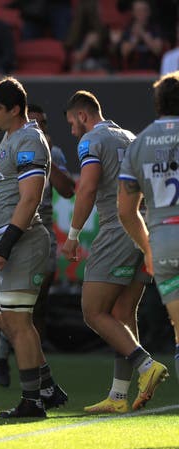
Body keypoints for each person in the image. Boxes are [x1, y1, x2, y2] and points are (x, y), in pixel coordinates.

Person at [62, 90, 168, 413]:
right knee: (123, 313)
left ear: (82, 115)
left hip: (118, 226)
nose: (71, 131)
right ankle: (119, 397)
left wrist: (73, 235)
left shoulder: (92, 140)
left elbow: (88, 187)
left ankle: (146, 365)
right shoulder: (131, 137)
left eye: (71, 123)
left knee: (92, 310)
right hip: (144, 226)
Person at [0, 76, 66, 418]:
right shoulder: (11, 137)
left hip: (22, 241)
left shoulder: (30, 139)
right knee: (2, 317)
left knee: (18, 322)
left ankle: (33, 401)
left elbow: (30, 198)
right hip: (8, 241)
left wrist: (5, 243)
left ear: (16, 109)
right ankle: (45, 384)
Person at [118, 70, 178, 388]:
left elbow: (126, 210)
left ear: (157, 104)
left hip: (164, 241)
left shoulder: (139, 144)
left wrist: (148, 248)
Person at [64, 0, 111, 73]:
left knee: (90, 64)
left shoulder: (103, 29)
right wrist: (86, 46)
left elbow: (103, 52)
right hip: (81, 65)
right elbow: (75, 57)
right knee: (77, 67)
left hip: (99, 63)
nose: (100, 11)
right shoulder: (76, 32)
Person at [119, 0, 164, 71]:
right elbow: (124, 52)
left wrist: (143, 34)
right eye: (138, 10)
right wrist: (135, 38)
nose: (141, 13)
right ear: (133, 13)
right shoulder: (128, 29)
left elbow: (157, 50)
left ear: (149, 12)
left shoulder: (155, 28)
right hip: (131, 72)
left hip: (152, 70)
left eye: (144, 10)